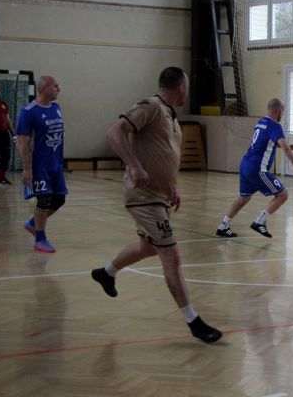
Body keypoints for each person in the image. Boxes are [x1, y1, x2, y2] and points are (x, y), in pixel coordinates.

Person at [90, 67, 221, 343]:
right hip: (143, 197)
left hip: (159, 196)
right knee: (171, 254)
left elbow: (162, 156)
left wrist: (172, 187)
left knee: (148, 247)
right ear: (181, 87)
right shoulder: (150, 106)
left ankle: (107, 273)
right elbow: (114, 133)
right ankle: (194, 322)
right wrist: (133, 166)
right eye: (187, 86)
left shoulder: (170, 115)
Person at [216, 98, 293, 238]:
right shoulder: (275, 125)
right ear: (278, 111)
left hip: (245, 164)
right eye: (282, 112)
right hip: (257, 168)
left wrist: (289, 146)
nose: (282, 115)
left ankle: (223, 225)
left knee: (244, 197)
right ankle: (259, 221)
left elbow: (269, 143)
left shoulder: (261, 122)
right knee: (282, 195)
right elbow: (283, 146)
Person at [16, 76, 67, 253]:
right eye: (55, 86)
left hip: (55, 164)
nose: (59, 89)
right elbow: (23, 143)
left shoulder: (56, 107)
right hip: (39, 165)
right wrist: (26, 169)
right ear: (44, 88)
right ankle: (40, 239)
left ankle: (32, 223)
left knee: (59, 199)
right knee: (44, 199)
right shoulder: (28, 112)